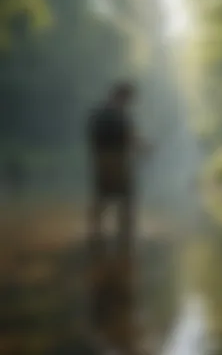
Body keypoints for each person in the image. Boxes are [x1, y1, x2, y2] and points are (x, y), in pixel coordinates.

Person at [87, 81, 150, 353]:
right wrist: (144, 149)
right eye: (129, 97)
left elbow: (90, 137)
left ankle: (97, 239)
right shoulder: (119, 115)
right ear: (122, 96)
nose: (129, 102)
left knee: (102, 201)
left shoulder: (99, 113)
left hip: (100, 160)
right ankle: (124, 243)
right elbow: (129, 138)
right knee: (126, 204)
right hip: (118, 161)